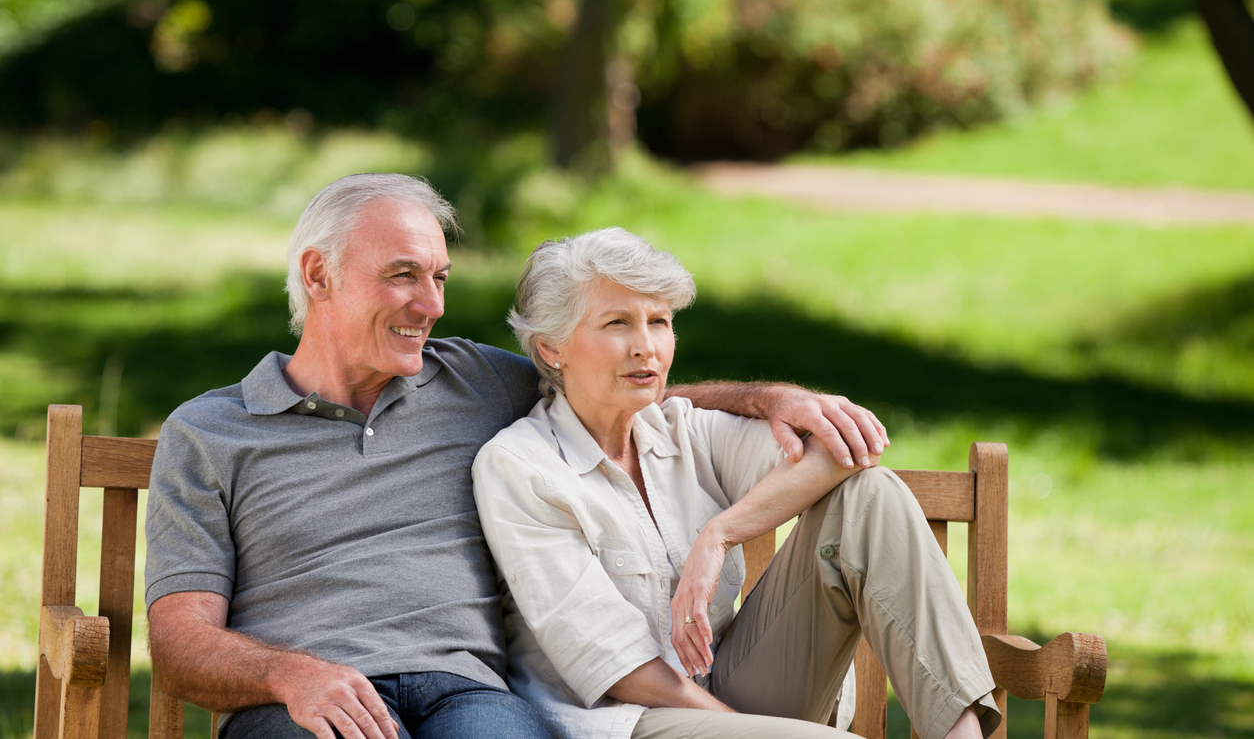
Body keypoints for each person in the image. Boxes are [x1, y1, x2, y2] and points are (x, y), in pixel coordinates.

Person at [144, 173, 891, 739]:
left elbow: (613, 379)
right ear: (318, 276)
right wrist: (287, 673)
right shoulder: (212, 433)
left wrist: (769, 399)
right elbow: (180, 647)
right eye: (403, 274)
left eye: (438, 277)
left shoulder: (472, 380)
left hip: (466, 695)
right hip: (301, 705)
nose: (432, 304)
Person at [471, 227, 1002, 739]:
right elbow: (622, 672)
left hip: (732, 691)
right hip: (630, 719)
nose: (646, 347)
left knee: (872, 495)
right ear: (550, 349)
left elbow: (841, 452)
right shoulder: (520, 468)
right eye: (616, 324)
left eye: (658, 321)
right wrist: (747, 732)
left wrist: (719, 534)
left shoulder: (683, 430)